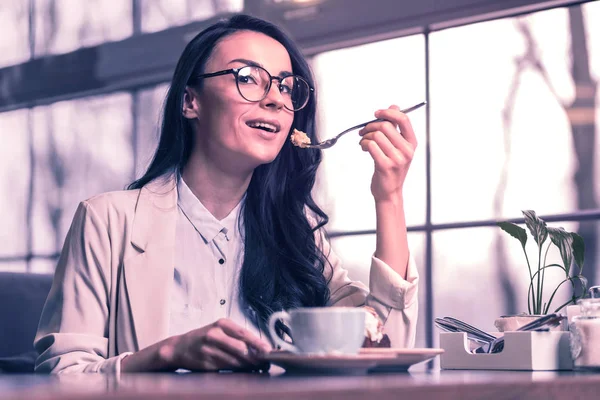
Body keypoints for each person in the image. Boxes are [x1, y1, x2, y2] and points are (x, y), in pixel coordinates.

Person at [34, 14, 419, 374]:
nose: (276, 99)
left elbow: (385, 348)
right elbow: (63, 375)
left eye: (286, 85)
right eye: (248, 77)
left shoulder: (298, 233)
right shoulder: (107, 221)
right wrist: (166, 354)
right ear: (190, 102)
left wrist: (389, 198)